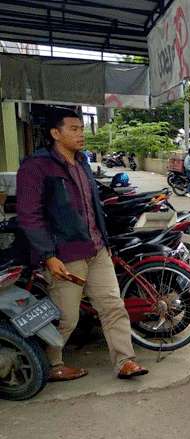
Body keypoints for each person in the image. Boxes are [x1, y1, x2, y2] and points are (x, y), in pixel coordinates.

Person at [16, 108, 148, 381]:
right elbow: (29, 216)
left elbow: (92, 207)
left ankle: (125, 361)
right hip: (65, 255)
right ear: (56, 133)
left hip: (96, 248)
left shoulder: (83, 163)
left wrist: (105, 240)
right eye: (73, 129)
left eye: (81, 129)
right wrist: (48, 255)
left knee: (113, 306)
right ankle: (52, 364)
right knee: (67, 318)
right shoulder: (36, 166)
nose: (81, 134)